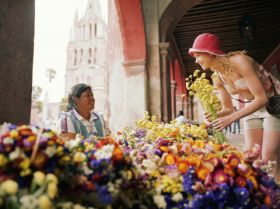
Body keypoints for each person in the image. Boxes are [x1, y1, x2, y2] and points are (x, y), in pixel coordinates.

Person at [188, 33, 280, 181]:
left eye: (198, 55)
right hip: (253, 108)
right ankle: (262, 192)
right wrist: (217, 114)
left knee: (269, 157)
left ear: (211, 53)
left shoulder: (240, 61)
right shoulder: (217, 77)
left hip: (273, 105)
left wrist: (231, 118)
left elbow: (262, 98)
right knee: (253, 155)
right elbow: (228, 109)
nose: (197, 60)